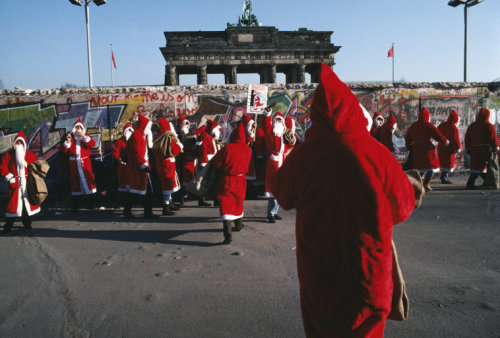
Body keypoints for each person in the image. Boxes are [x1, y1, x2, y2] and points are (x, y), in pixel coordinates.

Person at [270, 64, 417, 337]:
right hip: (368, 269)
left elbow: (281, 193)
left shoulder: (305, 156)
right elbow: (403, 208)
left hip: (319, 273)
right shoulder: (376, 153)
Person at [212, 122, 252, 244]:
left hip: (227, 180)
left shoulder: (227, 148)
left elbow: (217, 162)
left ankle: (228, 234)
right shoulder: (247, 149)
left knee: (226, 204)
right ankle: (239, 225)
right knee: (238, 202)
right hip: (241, 180)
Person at [1, 131, 41, 233]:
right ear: (15, 144)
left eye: (20, 143)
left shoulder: (29, 155)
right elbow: (2, 167)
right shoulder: (8, 155)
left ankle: (27, 224)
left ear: (24, 144)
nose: (18, 145)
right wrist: (10, 178)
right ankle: (8, 225)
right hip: (15, 183)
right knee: (13, 206)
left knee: (27, 205)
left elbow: (35, 166)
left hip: (27, 183)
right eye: (17, 143)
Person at [404, 108, 449, 191]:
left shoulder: (413, 125)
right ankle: (426, 184)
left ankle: (418, 185)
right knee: (432, 166)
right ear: (427, 116)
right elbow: (437, 134)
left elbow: (407, 136)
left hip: (416, 149)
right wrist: (445, 141)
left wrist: (408, 144)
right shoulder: (428, 125)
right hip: (427, 149)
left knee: (419, 167)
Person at [123, 114, 157, 218]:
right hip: (137, 168)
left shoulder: (139, 134)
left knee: (141, 190)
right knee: (137, 190)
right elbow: (138, 153)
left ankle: (145, 211)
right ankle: (131, 211)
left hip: (138, 166)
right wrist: (143, 165)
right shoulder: (138, 136)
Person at [60, 117, 97, 210]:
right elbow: (63, 150)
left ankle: (91, 204)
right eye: (77, 128)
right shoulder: (71, 138)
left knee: (88, 182)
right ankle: (75, 205)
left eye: (80, 128)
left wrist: (84, 136)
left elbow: (92, 144)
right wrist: (67, 141)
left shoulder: (85, 137)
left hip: (85, 163)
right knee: (75, 183)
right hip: (74, 164)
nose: (79, 130)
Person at [262, 109, 292, 223]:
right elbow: (266, 124)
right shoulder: (270, 132)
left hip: (282, 161)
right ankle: (270, 214)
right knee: (273, 189)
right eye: (276, 121)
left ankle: (275, 211)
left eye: (280, 121)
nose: (278, 123)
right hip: (273, 162)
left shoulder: (284, 134)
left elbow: (287, 147)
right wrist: (267, 114)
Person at [153, 117, 183, 216]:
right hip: (167, 164)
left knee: (167, 185)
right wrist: (179, 145)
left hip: (160, 163)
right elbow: (174, 150)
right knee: (168, 185)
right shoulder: (167, 138)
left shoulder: (157, 137)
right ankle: (166, 206)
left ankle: (169, 204)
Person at [464, 107, 499, 189]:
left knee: (478, 167)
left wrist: (468, 148)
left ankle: (487, 182)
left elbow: (467, 137)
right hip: (484, 150)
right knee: (481, 167)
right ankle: (470, 184)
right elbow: (493, 138)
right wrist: (495, 147)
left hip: (474, 149)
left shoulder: (472, 126)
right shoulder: (489, 126)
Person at [195, 119, 221, 207]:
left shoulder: (209, 136)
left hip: (210, 161)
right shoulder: (205, 136)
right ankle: (202, 200)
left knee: (210, 182)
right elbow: (203, 150)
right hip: (206, 162)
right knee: (205, 182)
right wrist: (204, 163)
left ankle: (213, 199)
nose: (218, 132)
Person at [175, 113, 197, 206]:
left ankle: (187, 196)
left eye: (187, 125)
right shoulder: (178, 137)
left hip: (190, 160)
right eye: (185, 125)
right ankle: (182, 197)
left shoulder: (191, 136)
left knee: (190, 177)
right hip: (183, 161)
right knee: (185, 178)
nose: (186, 127)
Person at [437, 110, 461, 184]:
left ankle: (443, 176)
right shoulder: (453, 128)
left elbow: (436, 133)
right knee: (448, 163)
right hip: (449, 148)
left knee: (444, 163)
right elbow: (455, 139)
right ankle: (444, 177)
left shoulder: (442, 125)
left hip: (441, 147)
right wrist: (458, 148)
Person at [112, 123, 134, 204]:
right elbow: (115, 153)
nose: (129, 132)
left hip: (132, 166)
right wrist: (119, 160)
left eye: (130, 130)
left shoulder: (134, 140)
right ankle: (124, 202)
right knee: (123, 184)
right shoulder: (119, 141)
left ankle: (132, 202)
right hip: (123, 167)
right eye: (128, 130)